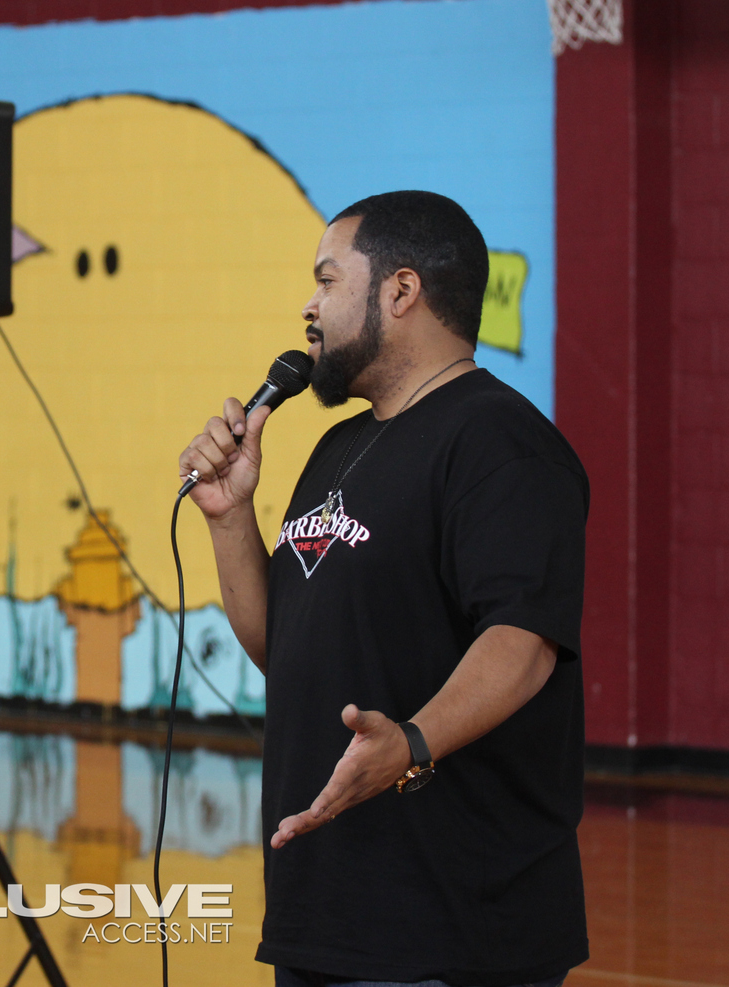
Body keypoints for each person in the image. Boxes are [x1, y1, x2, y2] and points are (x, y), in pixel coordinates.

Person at [178, 191, 587, 987]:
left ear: (401, 292)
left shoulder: (503, 445)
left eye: (328, 280)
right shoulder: (339, 447)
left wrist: (412, 743)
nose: (310, 304)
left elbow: (523, 641)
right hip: (324, 911)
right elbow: (285, 646)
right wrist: (230, 518)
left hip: (449, 927)